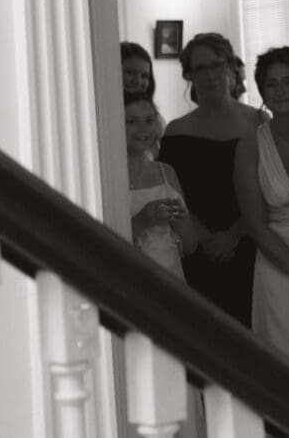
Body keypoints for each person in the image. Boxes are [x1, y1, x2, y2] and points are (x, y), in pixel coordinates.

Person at [159, 32, 267, 327]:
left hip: (250, 243)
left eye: (217, 64)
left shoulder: (258, 122)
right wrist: (205, 238)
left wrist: (234, 234)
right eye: (200, 68)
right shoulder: (176, 131)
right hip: (197, 247)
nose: (209, 75)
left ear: (230, 66)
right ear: (189, 75)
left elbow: (268, 188)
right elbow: (172, 192)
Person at [125, 91, 208, 438]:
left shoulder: (166, 172)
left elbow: (190, 243)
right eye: (132, 121)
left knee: (176, 361)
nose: (142, 128)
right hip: (132, 280)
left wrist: (180, 218)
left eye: (148, 120)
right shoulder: (109, 172)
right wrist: (143, 219)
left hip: (173, 276)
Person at [233, 47, 289, 367]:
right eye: (272, 84)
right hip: (279, 264)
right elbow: (255, 225)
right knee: (287, 359)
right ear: (262, 91)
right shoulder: (251, 145)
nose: (281, 91)